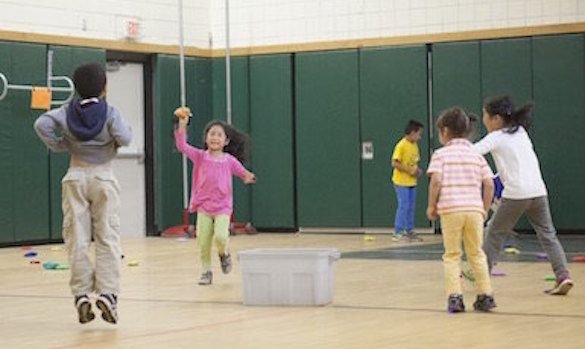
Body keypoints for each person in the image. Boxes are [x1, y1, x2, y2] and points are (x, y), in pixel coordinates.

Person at [33, 63, 132, 324]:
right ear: (104, 87)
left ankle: (81, 296)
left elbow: (41, 123)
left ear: (76, 87)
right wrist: (109, 142)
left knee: (76, 237)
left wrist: (61, 144)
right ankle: (108, 294)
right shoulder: (110, 112)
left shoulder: (67, 112)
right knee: (107, 236)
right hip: (103, 176)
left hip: (75, 175)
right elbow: (125, 137)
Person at [473, 95, 574, 295]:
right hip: (538, 191)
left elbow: (473, 152)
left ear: (496, 119)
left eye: (485, 115)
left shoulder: (496, 137)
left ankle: (481, 275)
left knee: (494, 232)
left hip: (516, 194)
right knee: (548, 235)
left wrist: (450, 150)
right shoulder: (520, 132)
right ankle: (563, 275)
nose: (484, 119)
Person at [174, 107, 256, 285]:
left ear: (226, 141)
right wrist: (182, 124)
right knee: (203, 241)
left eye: (219, 135)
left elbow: (242, 172)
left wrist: (248, 176)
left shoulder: (229, 160)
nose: (215, 137)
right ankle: (206, 271)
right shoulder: (200, 157)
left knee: (220, 236)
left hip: (223, 207)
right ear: (206, 138)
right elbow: (182, 145)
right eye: (212, 134)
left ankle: (223, 253)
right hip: (204, 205)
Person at [426, 107, 496, 313]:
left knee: (452, 255)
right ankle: (485, 295)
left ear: (445, 131)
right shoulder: (476, 155)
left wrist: (432, 205)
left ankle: (455, 297)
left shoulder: (440, 155)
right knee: (476, 254)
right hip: (474, 211)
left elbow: (436, 181)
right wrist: (483, 209)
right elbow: (489, 184)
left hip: (451, 210)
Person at [391, 120, 424, 242]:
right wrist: (408, 170)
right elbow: (395, 162)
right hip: (401, 182)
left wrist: (417, 171)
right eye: (418, 134)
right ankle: (398, 231)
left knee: (411, 206)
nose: (419, 137)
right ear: (412, 132)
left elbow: (414, 163)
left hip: (412, 182)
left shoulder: (414, 146)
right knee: (403, 205)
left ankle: (409, 230)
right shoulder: (401, 145)